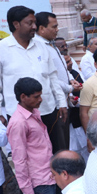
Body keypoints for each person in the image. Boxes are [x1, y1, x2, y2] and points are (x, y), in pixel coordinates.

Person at [0, 6, 68, 134]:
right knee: (25, 152)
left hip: (48, 110)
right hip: (18, 116)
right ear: (16, 24)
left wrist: (62, 103)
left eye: (34, 22)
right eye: (29, 23)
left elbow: (52, 77)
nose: (35, 27)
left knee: (55, 152)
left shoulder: (42, 46)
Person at [7, 77, 57, 194]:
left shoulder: (33, 113)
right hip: (38, 181)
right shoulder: (18, 123)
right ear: (23, 97)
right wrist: (28, 192)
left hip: (47, 174)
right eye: (36, 97)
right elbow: (19, 160)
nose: (41, 99)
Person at [34, 11, 79, 152]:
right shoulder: (39, 48)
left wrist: (71, 80)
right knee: (59, 146)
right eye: (53, 27)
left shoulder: (51, 45)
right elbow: (48, 77)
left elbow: (62, 69)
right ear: (41, 28)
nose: (57, 30)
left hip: (64, 99)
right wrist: (69, 88)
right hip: (54, 104)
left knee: (65, 142)